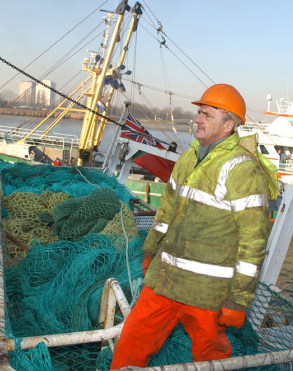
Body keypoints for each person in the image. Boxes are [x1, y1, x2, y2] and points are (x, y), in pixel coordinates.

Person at [110, 84, 278, 369]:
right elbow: (166, 210)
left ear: (228, 125)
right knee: (132, 342)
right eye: (199, 112)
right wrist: (151, 250)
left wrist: (238, 300)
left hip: (207, 293)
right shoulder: (190, 157)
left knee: (210, 359)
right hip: (164, 281)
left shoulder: (243, 169)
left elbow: (254, 243)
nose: (197, 119)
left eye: (207, 115)